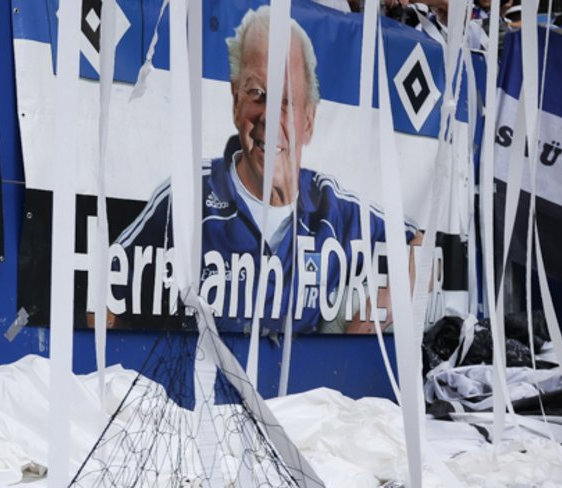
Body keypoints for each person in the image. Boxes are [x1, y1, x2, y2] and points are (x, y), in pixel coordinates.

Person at [117, 5, 417, 334]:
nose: (269, 118)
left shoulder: (335, 210)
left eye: (286, 100)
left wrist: (365, 325)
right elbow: (105, 286)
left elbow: (420, 247)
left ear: (309, 121)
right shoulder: (189, 195)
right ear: (235, 101)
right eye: (257, 94)